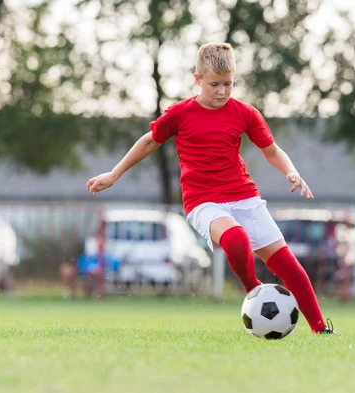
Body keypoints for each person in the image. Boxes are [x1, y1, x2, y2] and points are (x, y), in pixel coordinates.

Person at [86, 42, 335, 334]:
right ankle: (254, 291)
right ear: (198, 79)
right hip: (203, 201)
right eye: (214, 84)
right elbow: (149, 141)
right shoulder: (180, 113)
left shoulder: (245, 113)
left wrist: (291, 172)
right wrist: (115, 174)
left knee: (289, 266)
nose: (222, 91)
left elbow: (272, 151)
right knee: (236, 239)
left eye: (228, 84)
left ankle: (321, 329)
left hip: (245, 196)